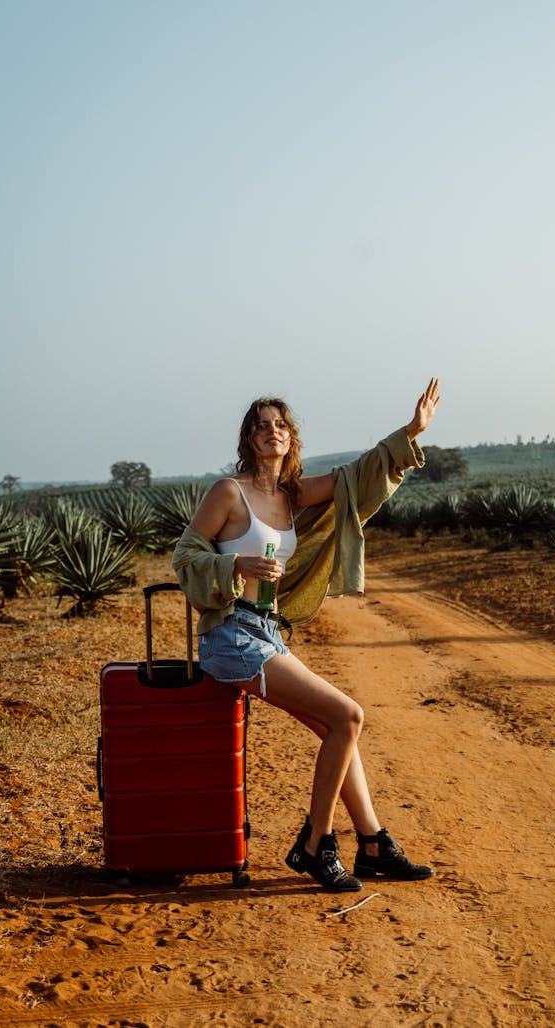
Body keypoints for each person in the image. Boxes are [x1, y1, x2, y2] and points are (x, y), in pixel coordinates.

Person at [172, 378, 441, 892]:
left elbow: (353, 477)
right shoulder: (229, 493)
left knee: (334, 728)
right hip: (231, 637)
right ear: (249, 440)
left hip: (267, 632)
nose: (273, 432)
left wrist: (411, 432)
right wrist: (236, 562)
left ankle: (373, 843)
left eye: (281, 425)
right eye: (262, 426)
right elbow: (184, 555)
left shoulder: (291, 496)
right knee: (347, 716)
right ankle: (316, 844)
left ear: (290, 438)